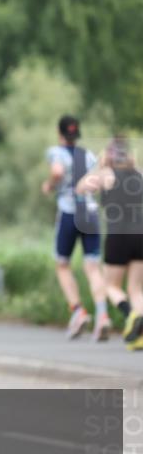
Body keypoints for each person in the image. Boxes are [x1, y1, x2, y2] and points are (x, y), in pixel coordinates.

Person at [42, 116, 109, 340]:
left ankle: (78, 311)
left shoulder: (56, 152)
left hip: (70, 213)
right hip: (90, 213)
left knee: (62, 264)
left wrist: (50, 185)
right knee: (93, 266)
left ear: (59, 133)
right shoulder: (87, 155)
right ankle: (102, 316)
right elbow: (100, 182)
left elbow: (58, 172)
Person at [76, 137, 143, 351]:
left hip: (118, 236)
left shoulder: (106, 175)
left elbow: (80, 188)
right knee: (136, 288)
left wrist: (99, 165)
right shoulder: (140, 174)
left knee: (110, 286)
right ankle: (139, 335)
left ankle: (129, 313)